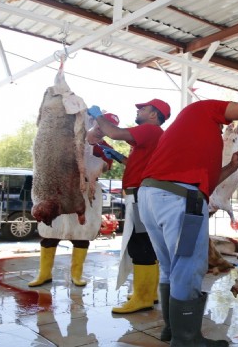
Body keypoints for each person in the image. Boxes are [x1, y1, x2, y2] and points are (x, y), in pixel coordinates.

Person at [137, 100, 238, 346]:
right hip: (180, 199)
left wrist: (231, 165)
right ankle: (186, 340)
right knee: (187, 268)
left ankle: (172, 330)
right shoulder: (203, 109)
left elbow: (208, 182)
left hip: (152, 195)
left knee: (169, 267)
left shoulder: (186, 138)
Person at [87, 99, 171, 316]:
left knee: (139, 245)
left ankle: (142, 298)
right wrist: (119, 158)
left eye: (143, 108)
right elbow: (139, 164)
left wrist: (98, 115)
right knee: (146, 244)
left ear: (154, 115)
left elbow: (114, 133)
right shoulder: (151, 138)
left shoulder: (150, 131)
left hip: (140, 197)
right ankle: (149, 293)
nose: (138, 110)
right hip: (143, 195)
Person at [29, 113, 118, 288]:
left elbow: (106, 167)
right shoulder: (73, 136)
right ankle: (44, 274)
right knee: (50, 232)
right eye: (100, 126)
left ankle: (76, 275)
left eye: (106, 129)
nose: (102, 131)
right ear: (94, 122)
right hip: (61, 189)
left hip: (85, 191)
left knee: (81, 234)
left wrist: (99, 163)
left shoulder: (105, 146)